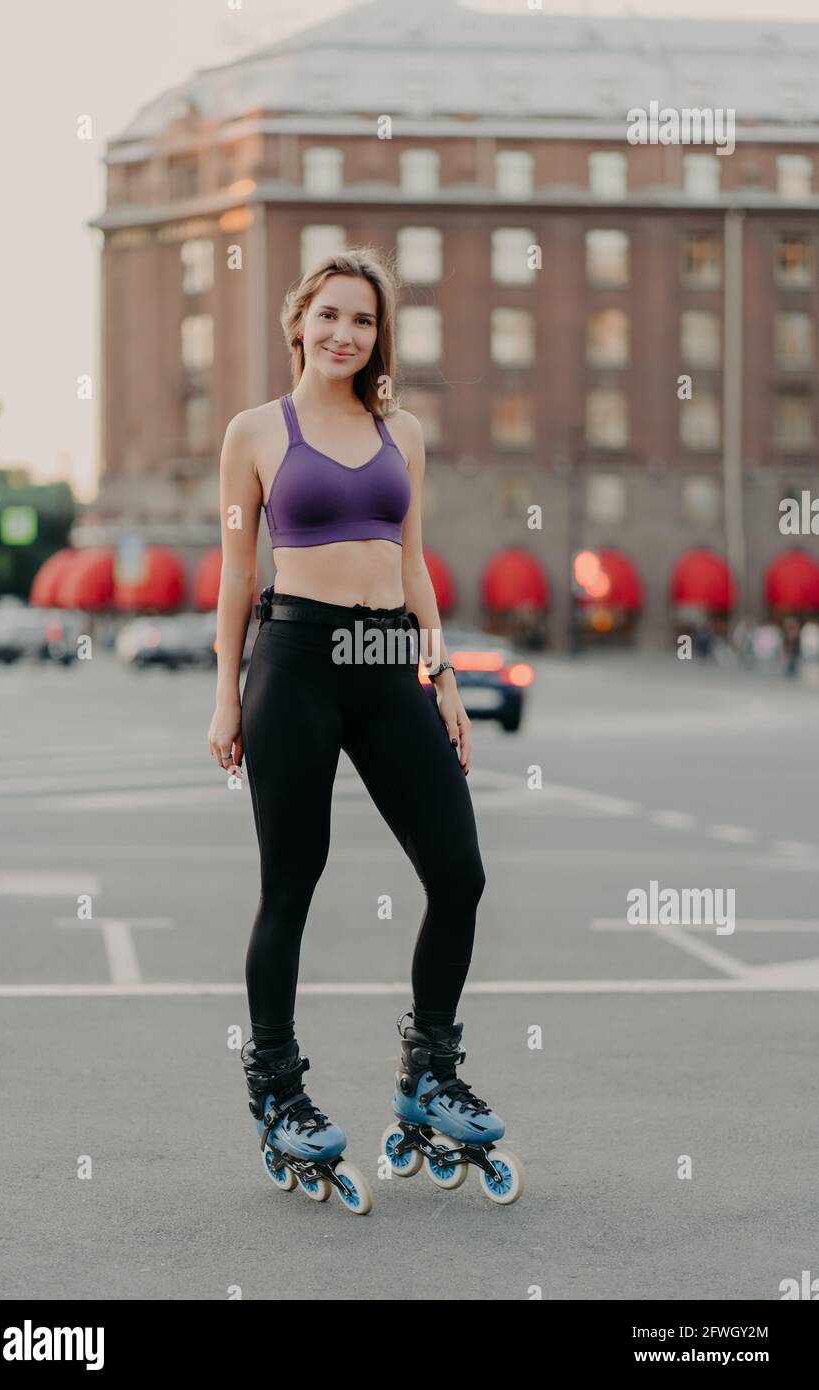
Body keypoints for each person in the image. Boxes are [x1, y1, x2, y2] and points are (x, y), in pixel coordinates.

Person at [207, 247, 522, 1208]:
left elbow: (415, 562)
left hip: (390, 662)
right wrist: (226, 695)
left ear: (379, 337)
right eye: (332, 315)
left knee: (459, 872)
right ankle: (279, 1093)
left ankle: (429, 1073)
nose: (346, 333)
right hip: (295, 660)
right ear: (300, 321)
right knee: (291, 886)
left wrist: (446, 676)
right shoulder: (255, 433)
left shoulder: (403, 432)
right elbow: (233, 575)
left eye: (365, 321)